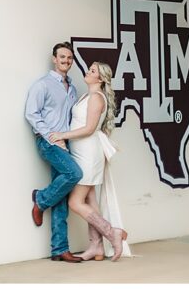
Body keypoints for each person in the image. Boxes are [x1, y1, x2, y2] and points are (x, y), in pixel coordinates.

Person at [49, 62, 130, 261]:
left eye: (92, 71)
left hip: (88, 154)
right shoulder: (87, 95)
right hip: (80, 151)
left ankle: (112, 233)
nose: (88, 72)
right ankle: (96, 247)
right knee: (90, 200)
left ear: (100, 79)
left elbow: (89, 128)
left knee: (75, 202)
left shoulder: (96, 98)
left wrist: (62, 135)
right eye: (90, 69)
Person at [25, 42, 84, 263]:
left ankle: (59, 249)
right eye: (62, 57)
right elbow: (31, 114)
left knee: (61, 198)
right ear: (54, 58)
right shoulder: (43, 85)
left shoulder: (73, 88)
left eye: (69, 58)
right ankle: (40, 199)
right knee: (74, 174)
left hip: (64, 144)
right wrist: (51, 136)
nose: (66, 61)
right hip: (48, 142)